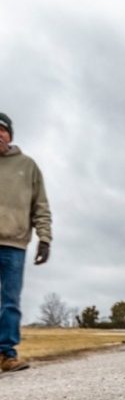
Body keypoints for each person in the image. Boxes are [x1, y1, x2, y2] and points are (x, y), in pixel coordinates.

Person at [0, 113, 52, 372]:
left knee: (10, 301)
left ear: (10, 134)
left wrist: (45, 239)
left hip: (14, 245)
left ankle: (7, 355)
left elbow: (40, 206)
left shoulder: (27, 166)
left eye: (2, 130)